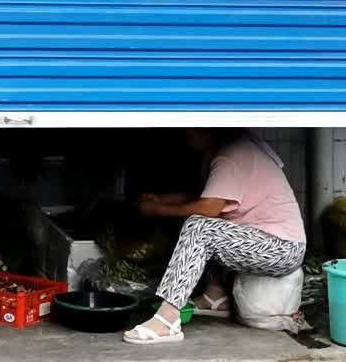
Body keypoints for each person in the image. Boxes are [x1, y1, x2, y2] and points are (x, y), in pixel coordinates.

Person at [123, 129, 306, 345]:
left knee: (199, 227)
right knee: (200, 222)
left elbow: (209, 208)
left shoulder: (232, 155)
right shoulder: (220, 153)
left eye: (191, 131)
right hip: (262, 240)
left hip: (282, 248)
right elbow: (205, 198)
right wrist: (161, 200)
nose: (184, 137)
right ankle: (215, 297)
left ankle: (167, 319)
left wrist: (157, 210)